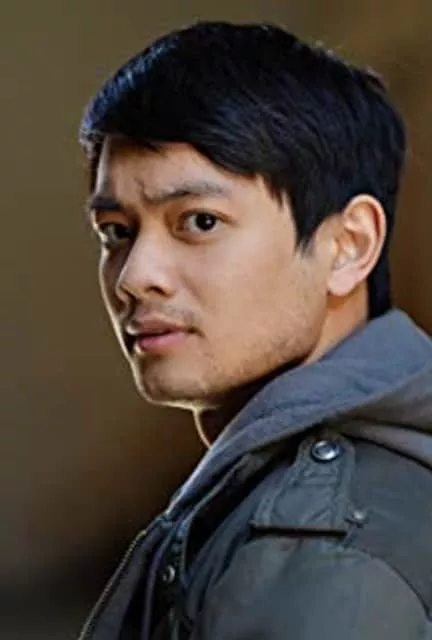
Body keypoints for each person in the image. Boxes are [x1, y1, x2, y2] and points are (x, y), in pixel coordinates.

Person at [77, 21, 432, 640]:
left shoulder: (323, 557)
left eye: (200, 221)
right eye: (117, 232)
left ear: (348, 246)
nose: (134, 278)